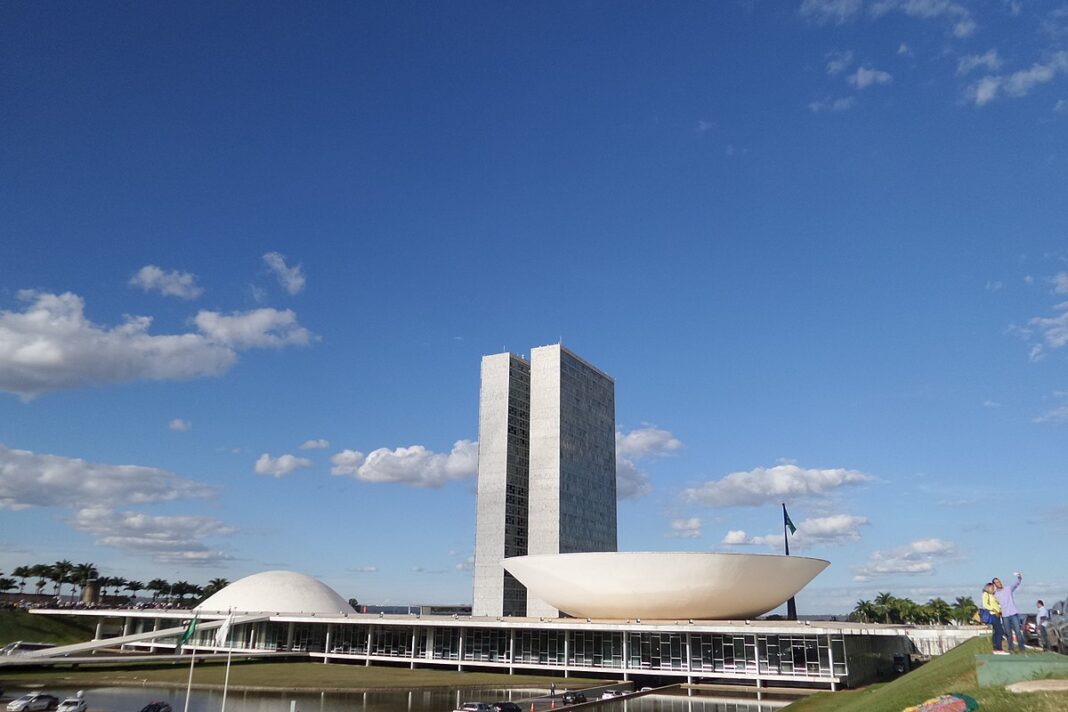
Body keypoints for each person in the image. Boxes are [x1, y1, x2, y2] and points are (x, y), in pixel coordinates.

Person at [994, 573, 1026, 652]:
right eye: (997, 582)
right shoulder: (995, 595)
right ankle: (1011, 648)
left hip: (1013, 613)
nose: (999, 583)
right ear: (995, 585)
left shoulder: (1008, 589)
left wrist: (1019, 578)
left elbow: (1016, 584)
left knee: (1018, 632)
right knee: (1008, 633)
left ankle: (1022, 648)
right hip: (1005, 616)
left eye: (999, 581)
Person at [982, 582, 1006, 654]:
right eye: (992, 587)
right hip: (993, 614)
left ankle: (996, 647)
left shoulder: (993, 595)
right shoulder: (986, 594)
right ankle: (998, 648)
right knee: (999, 631)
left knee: (996, 631)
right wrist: (994, 610)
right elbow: (985, 605)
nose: (993, 589)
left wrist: (1000, 611)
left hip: (997, 614)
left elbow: (997, 604)